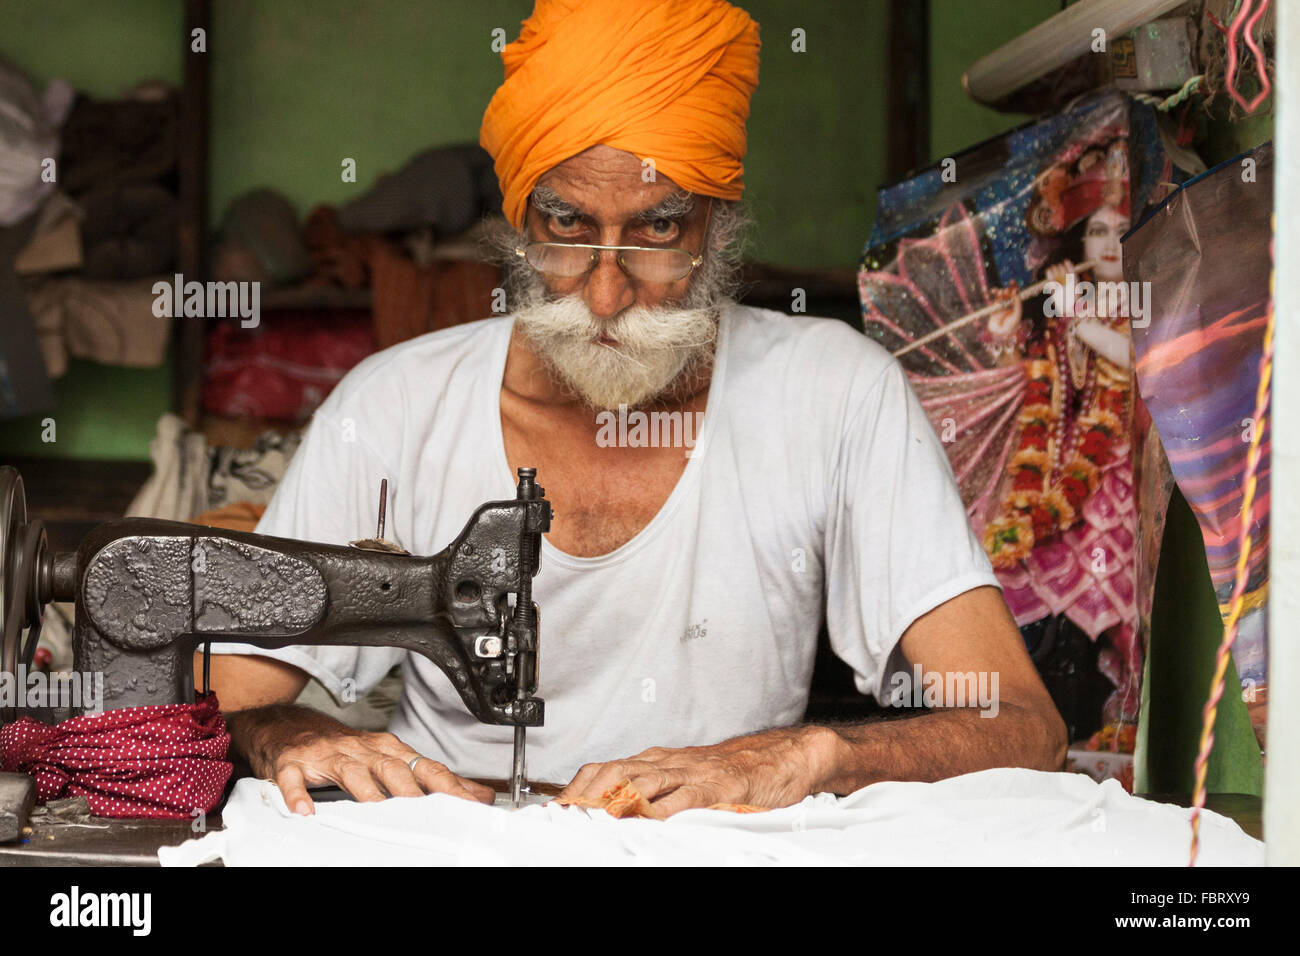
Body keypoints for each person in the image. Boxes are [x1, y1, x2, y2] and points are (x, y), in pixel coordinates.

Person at [207, 0, 1065, 818]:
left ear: (716, 228)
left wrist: (801, 759)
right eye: (568, 227)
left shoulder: (837, 394)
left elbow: (1024, 728)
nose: (608, 292)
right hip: (450, 839)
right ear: (516, 226)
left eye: (658, 231)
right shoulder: (390, 408)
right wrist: (294, 734)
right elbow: (225, 699)